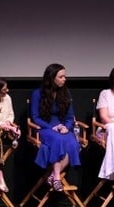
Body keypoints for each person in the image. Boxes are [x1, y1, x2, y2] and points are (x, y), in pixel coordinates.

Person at [29, 63, 82, 192]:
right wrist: (51, 127)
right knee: (58, 140)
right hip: (45, 127)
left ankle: (52, 176)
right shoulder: (37, 94)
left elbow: (70, 117)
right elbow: (35, 117)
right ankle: (57, 178)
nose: (65, 79)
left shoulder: (65, 93)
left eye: (65, 76)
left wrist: (66, 127)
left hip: (62, 127)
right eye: (61, 77)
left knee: (74, 144)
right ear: (52, 78)